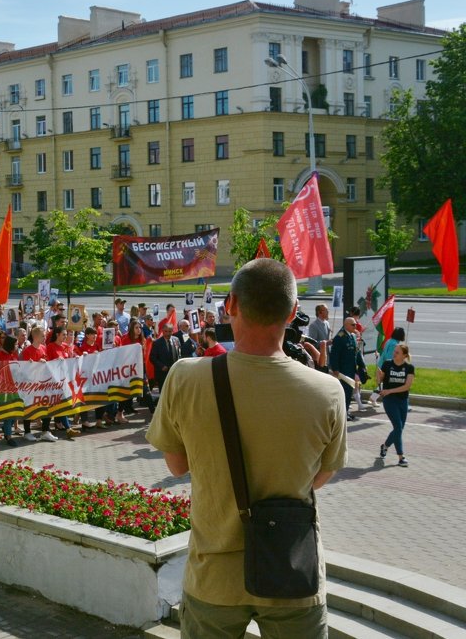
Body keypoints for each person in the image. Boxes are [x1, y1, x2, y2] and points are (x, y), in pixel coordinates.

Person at [147, 258, 346, 637]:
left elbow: (176, 466)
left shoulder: (186, 378)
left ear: (231, 305)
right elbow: (320, 477)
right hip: (293, 571)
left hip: (213, 576)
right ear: (292, 312)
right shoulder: (327, 391)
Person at [377, 343, 414, 468]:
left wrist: (390, 390)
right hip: (389, 400)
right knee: (398, 427)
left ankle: (385, 446)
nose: (394, 353)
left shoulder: (409, 367)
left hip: (403, 400)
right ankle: (401, 457)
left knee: (399, 429)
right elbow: (380, 381)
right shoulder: (387, 364)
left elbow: (407, 386)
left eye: (397, 352)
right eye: (394, 351)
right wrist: (379, 376)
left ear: (404, 355)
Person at [327, 317, 364, 421]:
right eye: (353, 325)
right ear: (346, 325)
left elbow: (355, 353)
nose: (355, 326)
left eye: (355, 324)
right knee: (344, 392)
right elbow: (335, 354)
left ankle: (346, 412)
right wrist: (335, 369)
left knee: (349, 392)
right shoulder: (340, 337)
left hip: (351, 369)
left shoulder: (352, 336)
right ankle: (341, 414)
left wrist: (360, 366)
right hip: (343, 370)